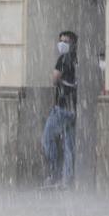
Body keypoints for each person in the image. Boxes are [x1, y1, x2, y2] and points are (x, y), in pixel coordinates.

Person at [41, 31, 78, 188]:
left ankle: (54, 174)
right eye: (61, 40)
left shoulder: (63, 59)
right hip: (72, 109)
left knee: (47, 138)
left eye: (66, 41)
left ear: (72, 44)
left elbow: (55, 78)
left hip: (62, 107)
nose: (62, 44)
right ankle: (66, 179)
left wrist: (56, 79)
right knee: (69, 145)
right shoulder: (76, 59)